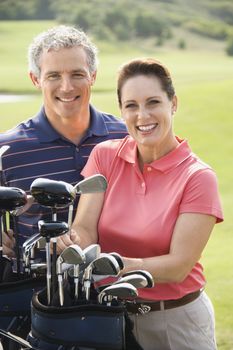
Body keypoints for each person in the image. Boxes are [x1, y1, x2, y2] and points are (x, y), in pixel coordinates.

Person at [70, 58, 223, 350]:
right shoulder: (105, 156)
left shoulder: (198, 177)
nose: (142, 115)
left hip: (174, 320)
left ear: (173, 103)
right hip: (112, 314)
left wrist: (114, 265)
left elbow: (178, 266)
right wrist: (72, 243)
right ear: (121, 110)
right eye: (131, 105)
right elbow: (85, 228)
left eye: (153, 102)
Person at [0, 25, 127, 259]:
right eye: (54, 76)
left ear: (93, 76)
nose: (67, 87)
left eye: (77, 74)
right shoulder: (7, 151)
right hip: (35, 291)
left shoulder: (125, 137)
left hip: (115, 287)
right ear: (35, 79)